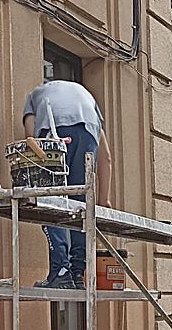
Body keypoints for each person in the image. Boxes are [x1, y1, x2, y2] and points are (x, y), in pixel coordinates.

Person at [22, 80, 112, 288]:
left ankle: (60, 271)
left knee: (52, 201)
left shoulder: (35, 96)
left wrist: (37, 180)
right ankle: (77, 273)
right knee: (80, 205)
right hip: (87, 134)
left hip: (52, 130)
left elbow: (30, 140)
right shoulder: (87, 98)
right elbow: (106, 157)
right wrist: (103, 199)